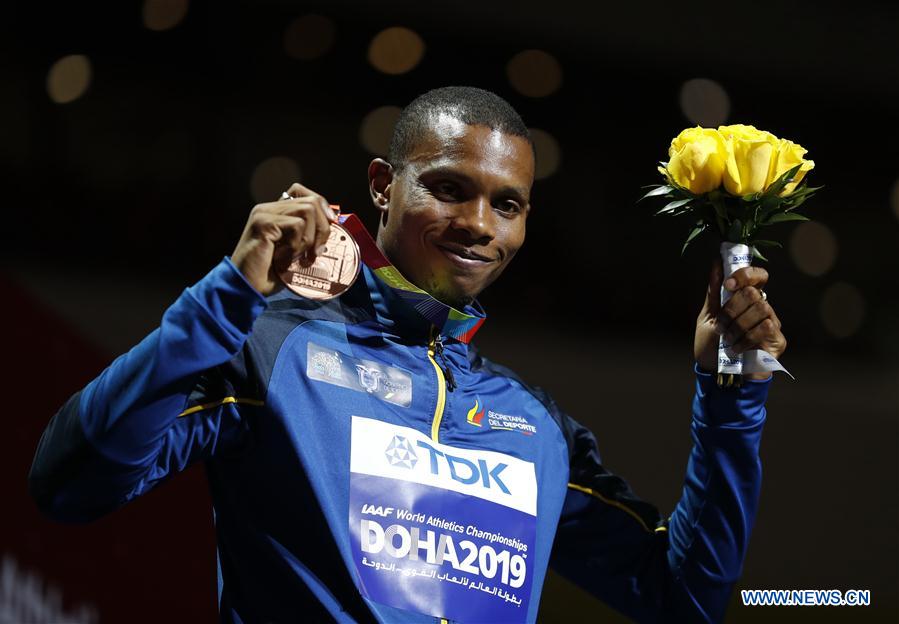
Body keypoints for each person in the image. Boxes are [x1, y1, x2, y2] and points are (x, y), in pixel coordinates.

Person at [29, 86, 787, 624]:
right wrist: (226, 296)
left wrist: (730, 393)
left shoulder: (532, 427)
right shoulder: (268, 347)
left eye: (508, 204)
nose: (479, 225)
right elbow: (70, 481)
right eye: (449, 189)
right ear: (383, 188)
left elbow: (684, 600)